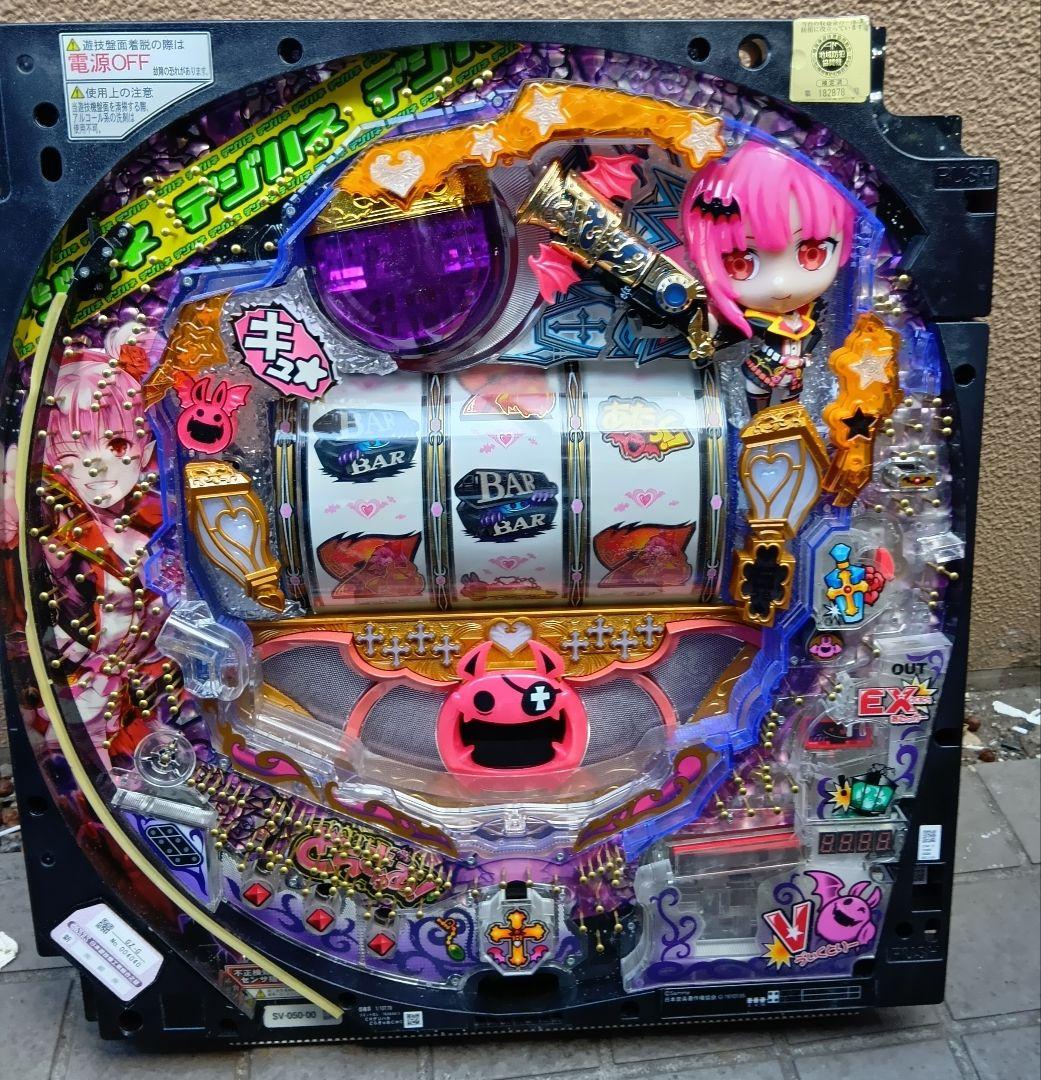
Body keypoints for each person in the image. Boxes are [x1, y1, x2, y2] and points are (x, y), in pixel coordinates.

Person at [681, 140, 856, 414]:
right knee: (758, 393)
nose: (780, 285)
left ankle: (790, 422)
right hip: (765, 365)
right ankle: (758, 421)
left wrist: (807, 353)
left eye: (812, 254)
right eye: (741, 264)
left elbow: (814, 335)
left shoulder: (808, 316)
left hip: (793, 370)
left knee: (791, 400)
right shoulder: (754, 319)